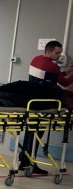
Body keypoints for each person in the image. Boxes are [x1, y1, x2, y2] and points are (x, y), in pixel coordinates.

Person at [20, 40, 73, 173]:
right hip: (44, 104)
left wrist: (66, 71)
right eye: (57, 53)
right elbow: (65, 83)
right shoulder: (52, 66)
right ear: (48, 51)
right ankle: (30, 162)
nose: (59, 56)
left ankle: (24, 160)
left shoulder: (36, 60)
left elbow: (50, 76)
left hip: (32, 100)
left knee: (30, 131)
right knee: (37, 133)